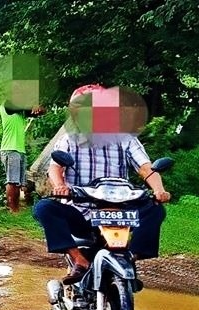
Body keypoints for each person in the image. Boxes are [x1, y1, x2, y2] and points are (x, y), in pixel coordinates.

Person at [33, 85, 171, 284]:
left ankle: (130, 259)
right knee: (45, 208)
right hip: (82, 211)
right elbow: (56, 169)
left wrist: (159, 190)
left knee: (155, 210)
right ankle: (78, 259)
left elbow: (145, 168)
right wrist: (60, 186)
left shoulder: (125, 139)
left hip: (122, 212)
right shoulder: (69, 140)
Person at [0, 99, 45, 212]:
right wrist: (32, 105)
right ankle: (13, 210)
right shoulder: (7, 104)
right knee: (12, 181)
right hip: (10, 149)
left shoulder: (21, 111)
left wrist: (38, 108)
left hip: (20, 150)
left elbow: (41, 111)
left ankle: (16, 209)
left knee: (19, 183)